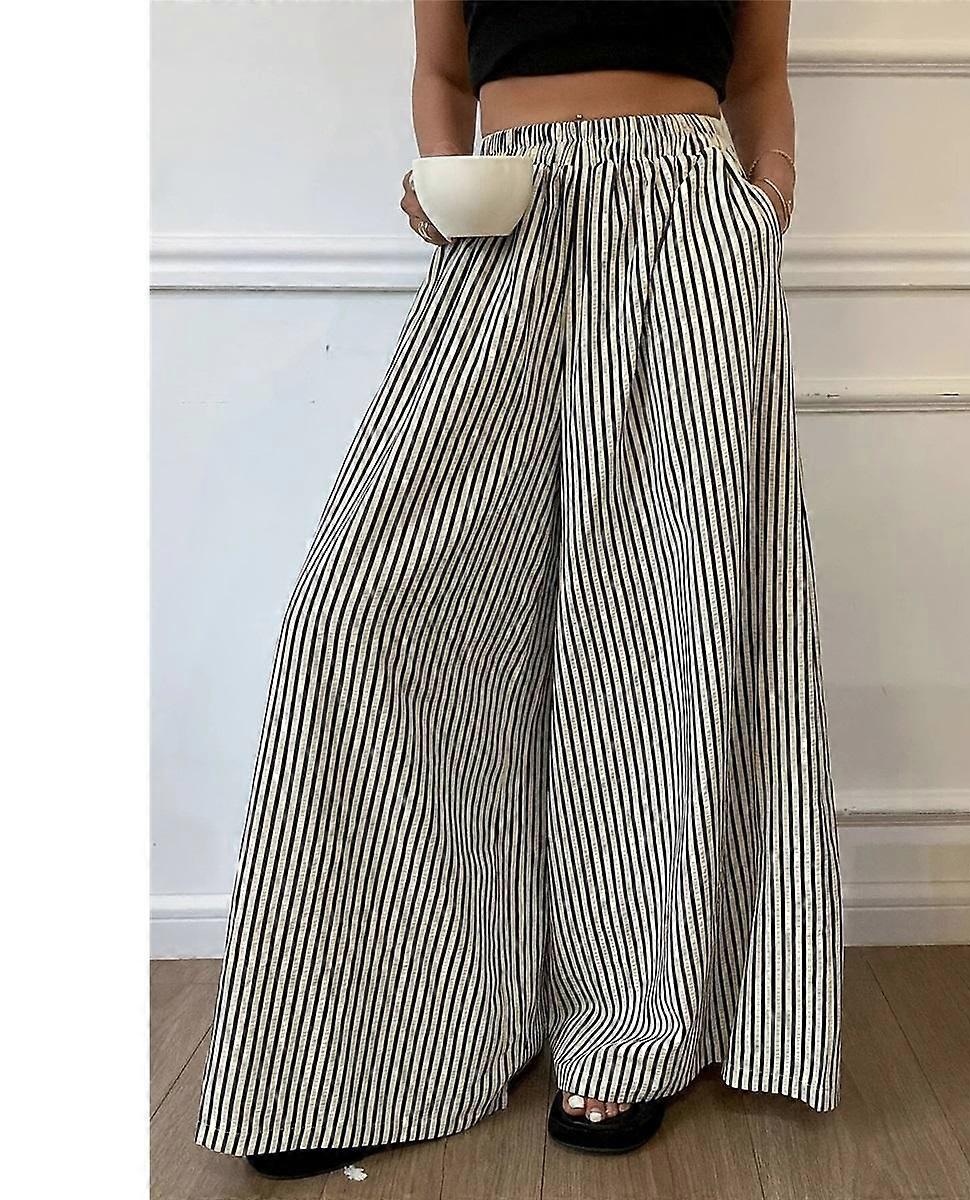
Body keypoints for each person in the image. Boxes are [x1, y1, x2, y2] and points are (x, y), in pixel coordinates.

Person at [194, 0, 843, 1178]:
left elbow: (758, 75)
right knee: (357, 612)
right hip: (506, 224)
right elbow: (442, 71)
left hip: (690, 231)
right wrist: (442, 175)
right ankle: (372, 1040)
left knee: (655, 636)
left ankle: (631, 1027)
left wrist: (769, 196)